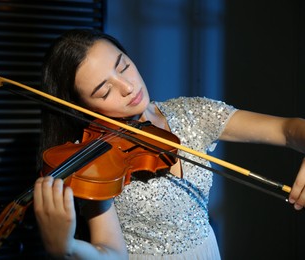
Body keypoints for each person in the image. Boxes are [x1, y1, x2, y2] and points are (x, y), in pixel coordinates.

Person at [32, 29, 305, 259]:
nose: (127, 87)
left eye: (123, 66)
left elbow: (288, 130)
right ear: (81, 108)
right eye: (104, 91)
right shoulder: (94, 160)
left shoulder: (191, 113)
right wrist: (68, 248)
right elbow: (113, 253)